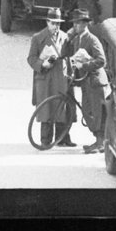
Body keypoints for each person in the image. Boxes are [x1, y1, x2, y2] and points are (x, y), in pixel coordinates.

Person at [62, 8, 110, 152]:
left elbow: (101, 61)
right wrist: (68, 38)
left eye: (77, 23)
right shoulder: (77, 39)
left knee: (97, 111)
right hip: (85, 82)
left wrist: (84, 65)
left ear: (85, 24)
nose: (75, 26)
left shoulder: (92, 39)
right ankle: (98, 141)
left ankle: (101, 142)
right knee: (87, 111)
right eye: (74, 23)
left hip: (95, 81)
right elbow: (65, 54)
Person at [27, 16, 70, 145]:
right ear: (47, 22)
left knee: (61, 107)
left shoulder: (65, 37)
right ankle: (45, 140)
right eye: (53, 23)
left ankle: (62, 139)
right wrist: (42, 64)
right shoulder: (37, 38)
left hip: (60, 78)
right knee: (46, 109)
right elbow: (31, 58)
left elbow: (69, 56)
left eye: (58, 24)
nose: (56, 26)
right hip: (45, 78)